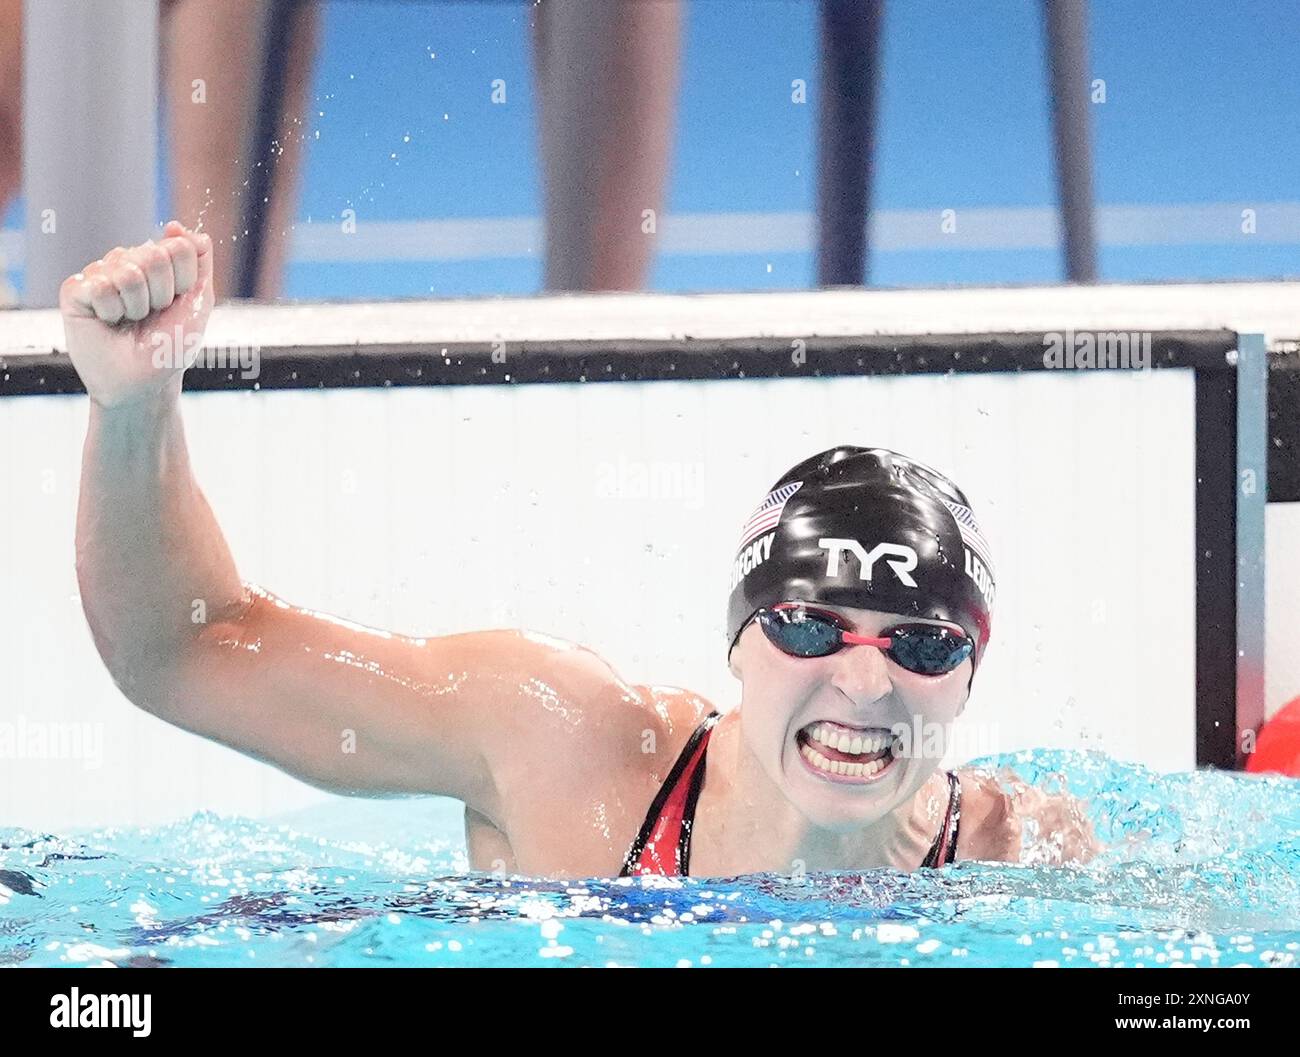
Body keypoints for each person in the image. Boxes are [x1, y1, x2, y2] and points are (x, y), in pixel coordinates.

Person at [62, 223, 1099, 878]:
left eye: (918, 644)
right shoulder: (562, 748)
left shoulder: (1023, 854)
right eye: (810, 626)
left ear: (968, 677)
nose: (863, 680)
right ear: (737, 641)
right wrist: (134, 404)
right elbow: (184, 652)